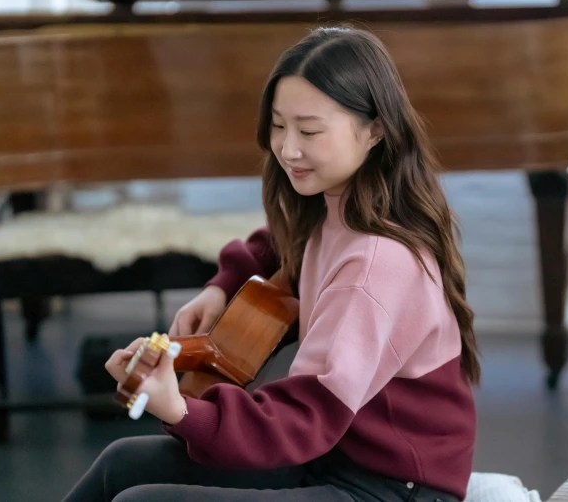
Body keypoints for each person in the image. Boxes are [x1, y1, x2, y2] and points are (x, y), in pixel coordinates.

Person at [63, 25, 479, 502]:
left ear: (375, 130)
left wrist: (180, 410)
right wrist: (221, 287)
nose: (288, 148)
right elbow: (279, 244)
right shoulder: (338, 207)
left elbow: (307, 414)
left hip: (392, 488)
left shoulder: (373, 267)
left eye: (309, 130)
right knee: (123, 465)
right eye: (279, 126)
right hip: (333, 454)